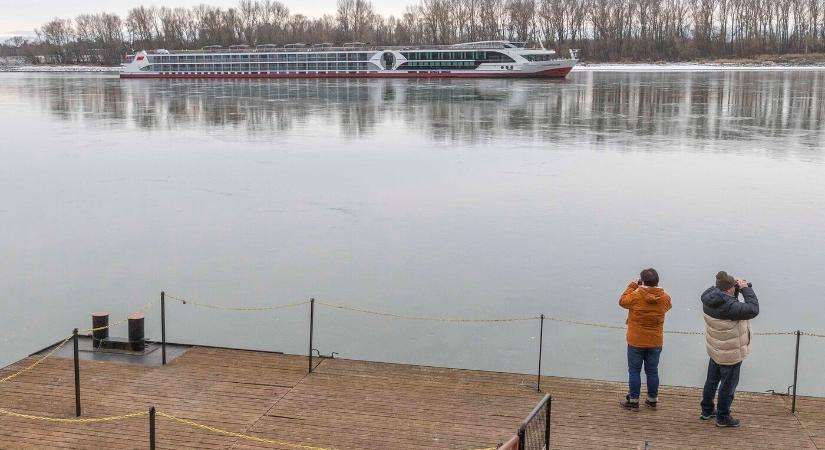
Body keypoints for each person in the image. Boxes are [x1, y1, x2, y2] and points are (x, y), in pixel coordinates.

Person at [700, 271, 760, 428]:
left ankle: (706, 410)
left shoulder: (710, 299)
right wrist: (745, 288)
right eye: (734, 286)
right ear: (728, 289)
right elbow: (753, 309)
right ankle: (723, 417)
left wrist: (735, 288)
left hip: (715, 348)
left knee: (711, 382)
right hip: (730, 353)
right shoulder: (730, 307)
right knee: (727, 387)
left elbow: (730, 302)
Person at [619, 268, 672, 410]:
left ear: (642, 282)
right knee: (652, 370)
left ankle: (634, 401)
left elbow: (622, 301)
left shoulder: (636, 296)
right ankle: (652, 400)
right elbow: (668, 306)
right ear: (657, 281)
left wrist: (633, 286)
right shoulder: (665, 298)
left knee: (634, 371)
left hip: (636, 341)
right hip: (655, 341)